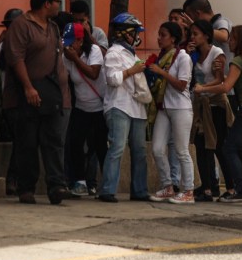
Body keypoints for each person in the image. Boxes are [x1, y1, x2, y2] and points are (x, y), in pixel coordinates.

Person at [3, 0, 71, 205]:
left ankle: (56, 186)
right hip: (28, 94)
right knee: (28, 142)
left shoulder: (52, 27)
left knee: (53, 141)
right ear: (46, 4)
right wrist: (28, 87)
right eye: (57, 1)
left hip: (52, 94)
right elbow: (16, 59)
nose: (59, 5)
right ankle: (26, 188)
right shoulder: (21, 25)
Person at [183, 0, 242, 197]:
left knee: (229, 143)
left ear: (198, 13)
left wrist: (202, 30)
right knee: (212, 143)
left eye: (195, 27)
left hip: (227, 93)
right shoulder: (200, 49)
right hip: (212, 96)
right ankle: (213, 185)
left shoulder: (221, 24)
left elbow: (223, 35)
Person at [194, 25, 242, 208]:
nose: (229, 42)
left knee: (229, 147)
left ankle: (241, 188)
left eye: (233, 39)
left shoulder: (238, 60)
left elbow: (225, 87)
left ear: (240, 41)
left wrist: (202, 88)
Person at [99, 12, 150, 203]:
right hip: (119, 106)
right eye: (136, 32)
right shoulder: (113, 53)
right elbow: (112, 80)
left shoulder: (130, 53)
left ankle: (139, 190)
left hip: (136, 107)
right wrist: (132, 71)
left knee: (139, 151)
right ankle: (107, 190)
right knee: (117, 148)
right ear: (126, 33)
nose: (138, 36)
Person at [146, 22, 195, 204]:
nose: (159, 38)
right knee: (157, 148)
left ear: (173, 39)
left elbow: (182, 85)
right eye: (159, 34)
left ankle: (188, 190)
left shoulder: (183, 57)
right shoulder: (162, 57)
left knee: (182, 150)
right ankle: (168, 186)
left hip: (181, 108)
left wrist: (161, 72)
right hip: (164, 108)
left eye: (163, 35)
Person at [188, 20, 236, 202]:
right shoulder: (193, 54)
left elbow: (219, 79)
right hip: (200, 104)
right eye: (191, 34)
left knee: (218, 147)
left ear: (206, 36)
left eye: (196, 34)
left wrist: (203, 87)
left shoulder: (217, 53)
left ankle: (231, 187)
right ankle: (207, 188)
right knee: (201, 145)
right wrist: (190, 55)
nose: (193, 37)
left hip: (215, 104)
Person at [62, 22, 108, 197]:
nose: (67, 45)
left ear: (80, 41)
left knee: (100, 145)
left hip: (98, 107)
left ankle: (106, 184)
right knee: (76, 142)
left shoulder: (94, 51)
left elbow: (93, 73)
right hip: (81, 107)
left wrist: (75, 59)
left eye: (70, 41)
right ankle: (80, 182)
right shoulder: (66, 56)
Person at [0, 8, 23, 196]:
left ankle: (15, 180)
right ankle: (13, 180)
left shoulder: (24, 44)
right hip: (9, 100)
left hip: (22, 99)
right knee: (20, 140)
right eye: (8, 26)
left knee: (21, 141)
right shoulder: (4, 46)